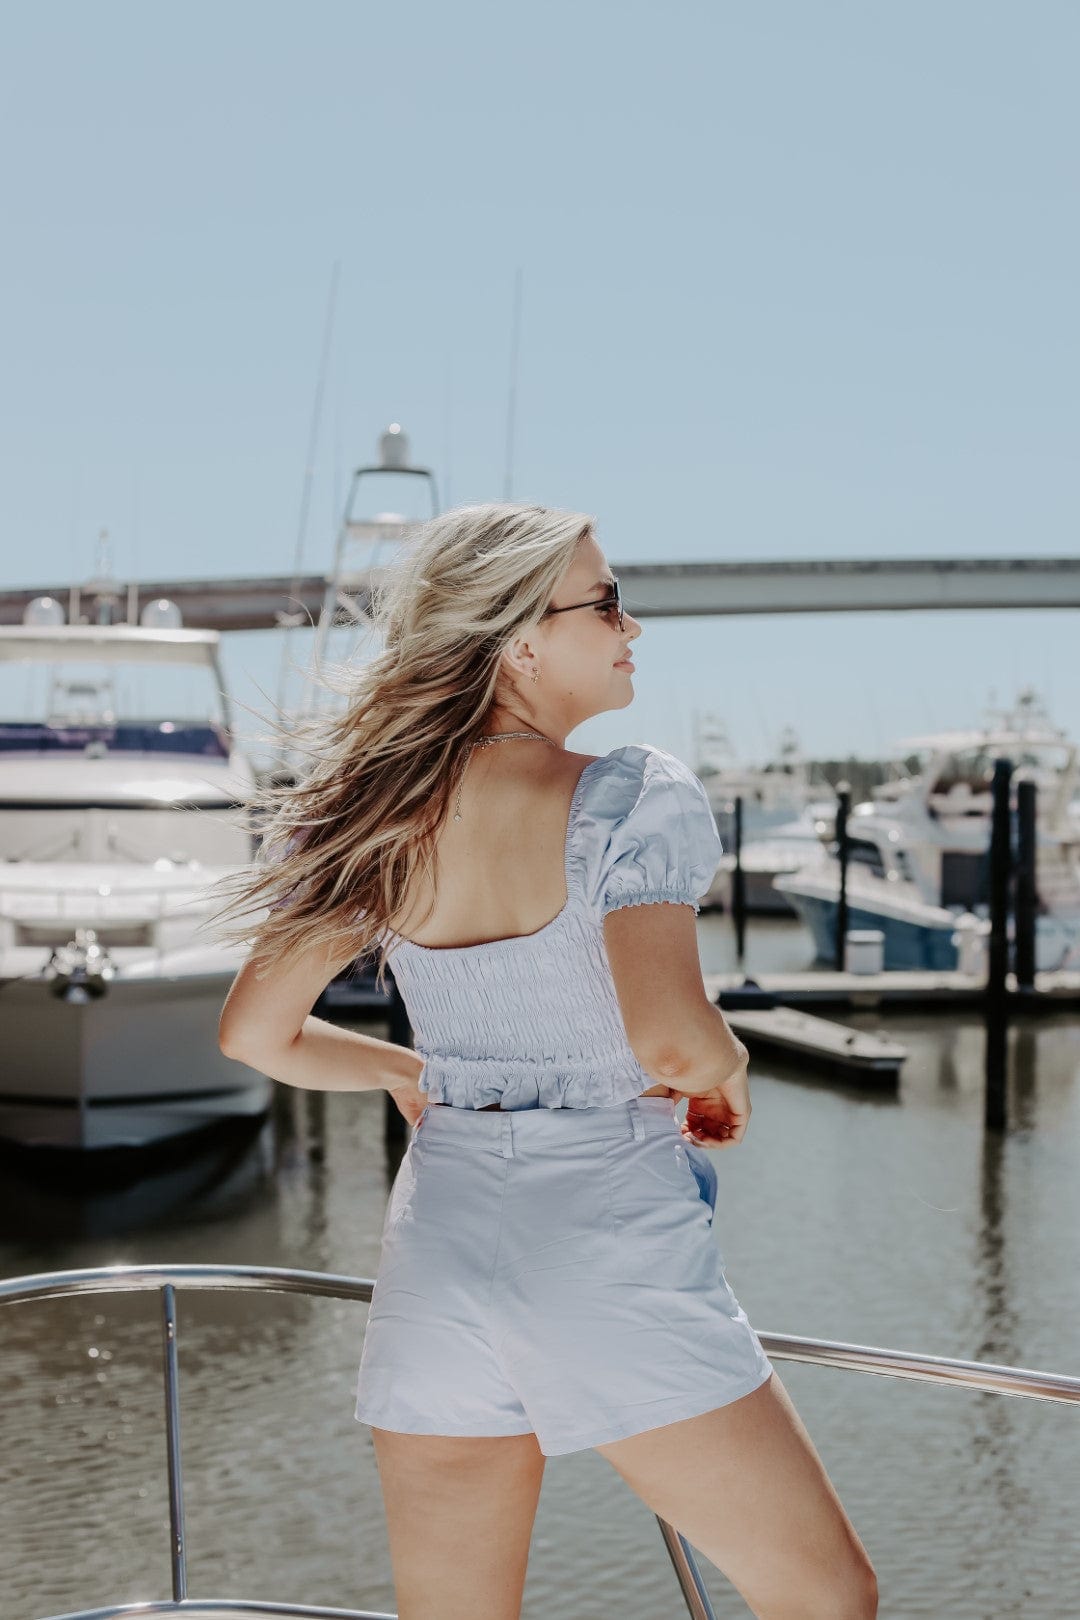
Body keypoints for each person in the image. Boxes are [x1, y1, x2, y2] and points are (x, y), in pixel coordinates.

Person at [216, 504, 878, 1620]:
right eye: (606, 601)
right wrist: (728, 1070)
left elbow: (255, 1035)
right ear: (521, 638)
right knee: (826, 1598)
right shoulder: (629, 791)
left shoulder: (378, 812)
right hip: (600, 1234)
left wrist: (399, 1073)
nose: (633, 624)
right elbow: (669, 1034)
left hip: (438, 1240)